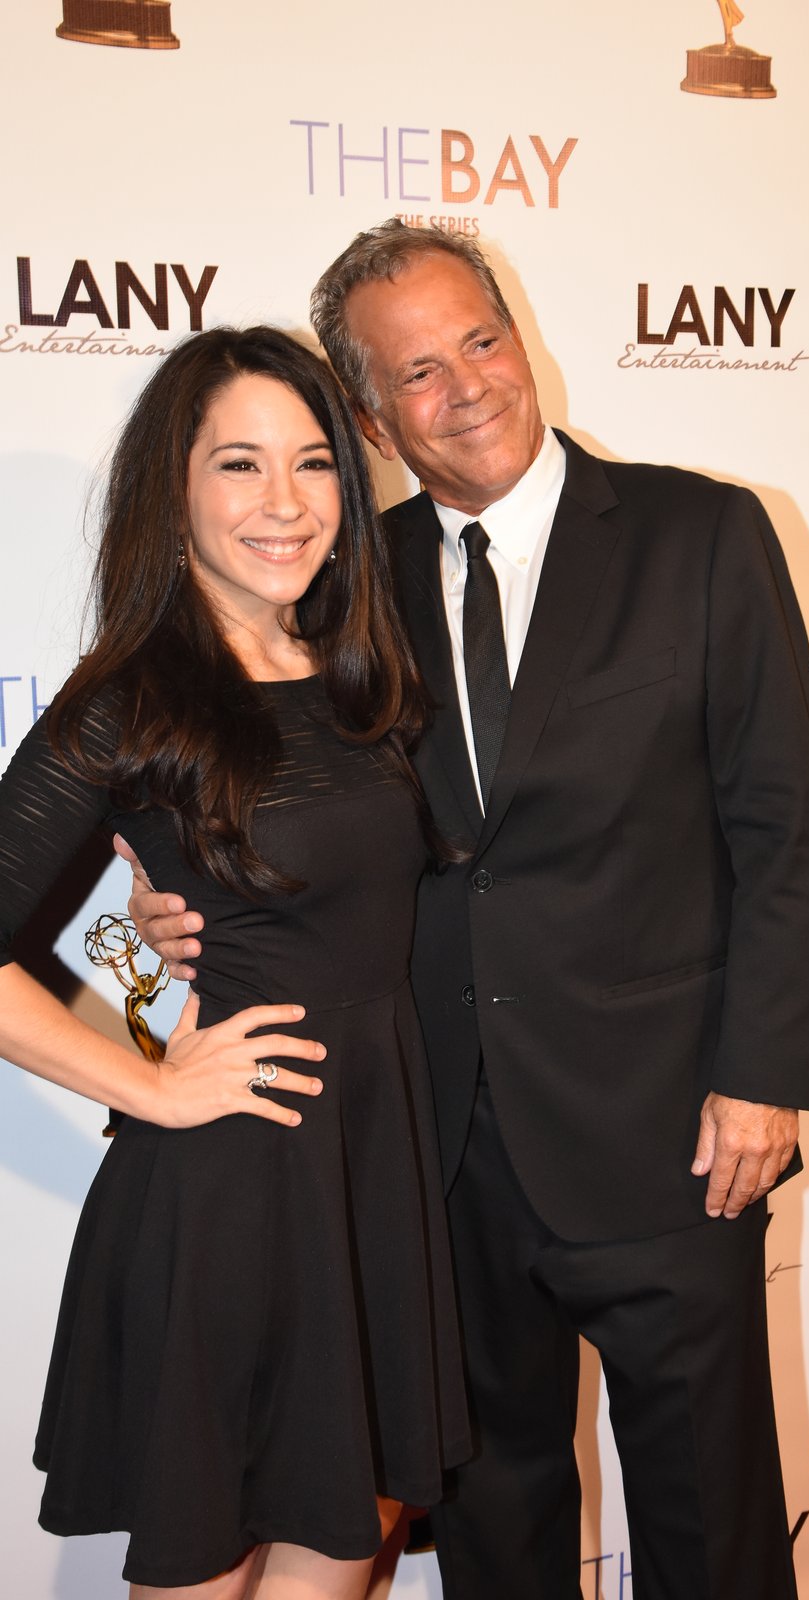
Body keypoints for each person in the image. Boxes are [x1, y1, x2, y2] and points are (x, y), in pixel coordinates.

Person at [134, 224, 809, 1600]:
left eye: (480, 338)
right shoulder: (340, 582)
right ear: (368, 416)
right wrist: (165, 922)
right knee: (499, 1521)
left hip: (673, 1137)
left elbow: (783, 828)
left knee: (710, 1514)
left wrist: (757, 1077)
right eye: (413, 371)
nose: (465, 385)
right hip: (436, 1149)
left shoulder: (701, 534)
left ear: (520, 338)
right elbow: (269, 815)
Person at [0, 326, 469, 1599]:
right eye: (239, 465)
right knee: (210, 1565)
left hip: (370, 1172)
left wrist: (141, 968)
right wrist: (148, 1076)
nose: (283, 505)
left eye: (313, 464)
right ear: (178, 487)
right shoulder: (131, 696)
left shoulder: (363, 675)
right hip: (226, 1187)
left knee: (341, 1546)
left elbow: (268, 905)